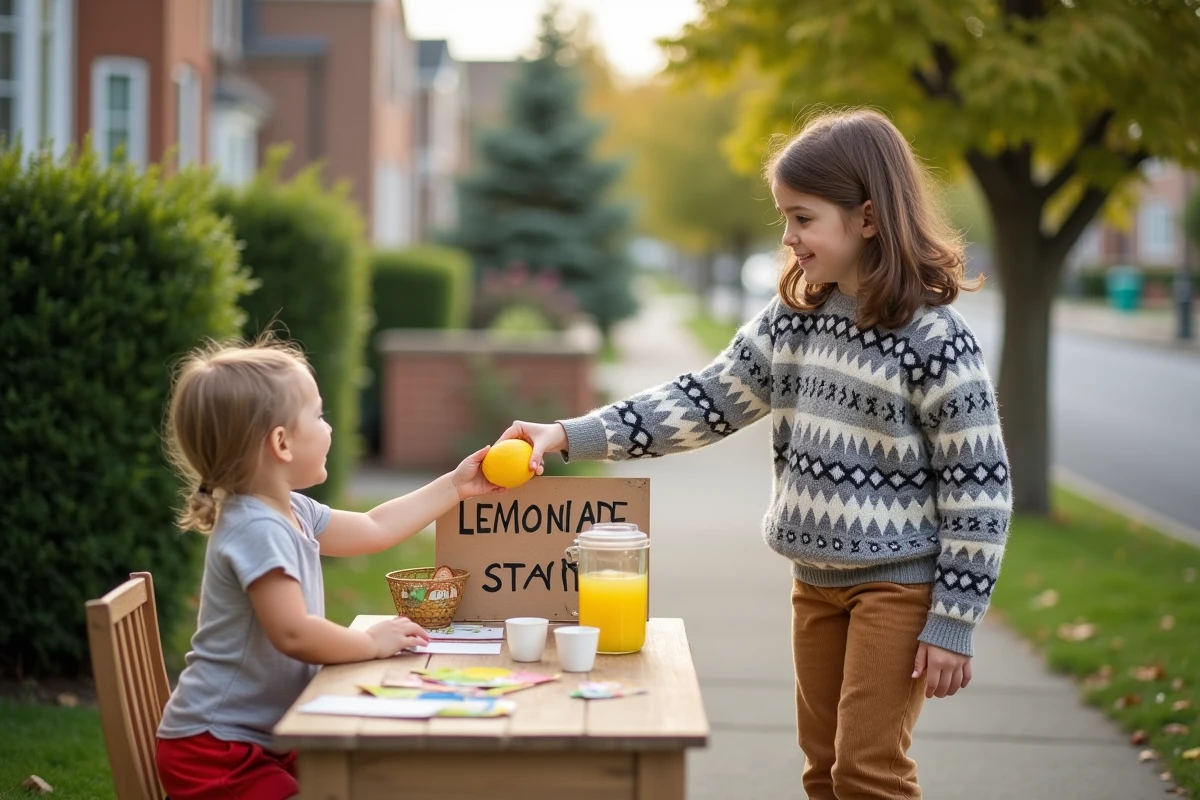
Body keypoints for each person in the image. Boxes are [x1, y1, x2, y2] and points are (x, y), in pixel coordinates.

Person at [498, 109, 1012, 799]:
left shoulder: (934, 339)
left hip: (898, 585)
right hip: (815, 583)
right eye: (784, 218)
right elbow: (702, 399)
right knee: (823, 769)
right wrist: (567, 434)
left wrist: (953, 618)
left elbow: (978, 486)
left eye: (803, 219)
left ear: (866, 218)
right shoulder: (792, 320)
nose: (788, 237)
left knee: (868, 772)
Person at [155, 336, 503, 800]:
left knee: (374, 773)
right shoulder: (256, 527)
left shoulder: (289, 509)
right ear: (280, 442)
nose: (330, 427)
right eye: (318, 415)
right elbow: (294, 633)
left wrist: (454, 486)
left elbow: (375, 527)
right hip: (217, 750)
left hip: (263, 735)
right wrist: (369, 643)